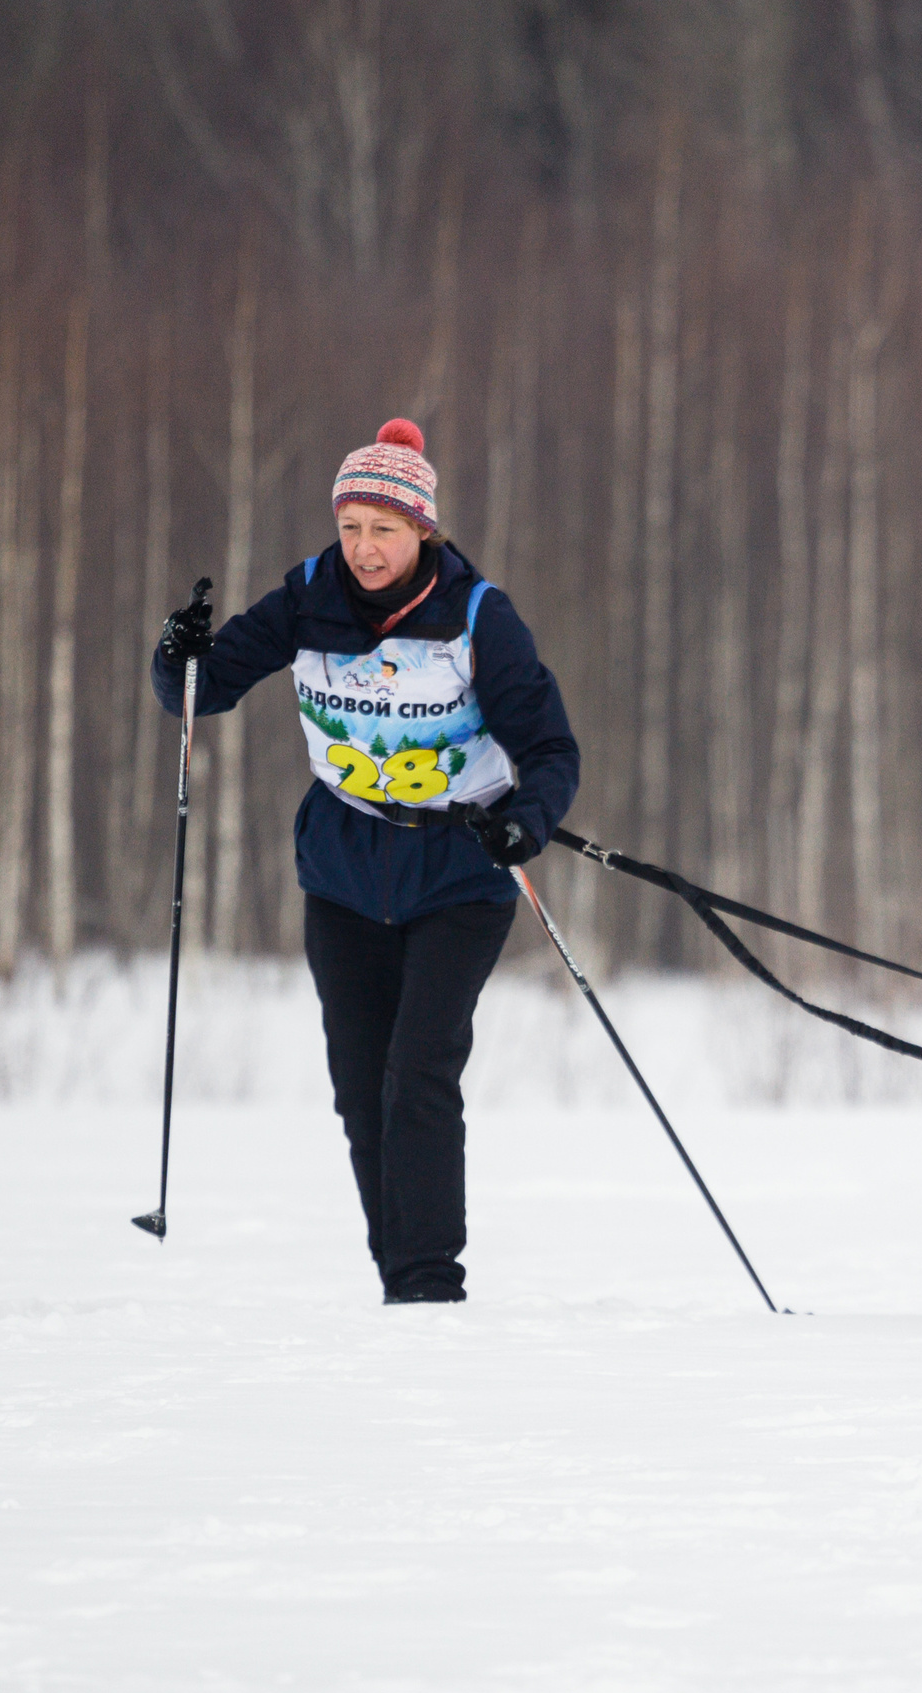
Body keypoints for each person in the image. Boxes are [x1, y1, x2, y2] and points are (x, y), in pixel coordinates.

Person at [153, 419, 579, 1304]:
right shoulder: (309, 596)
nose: (364, 547)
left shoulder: (475, 616)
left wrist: (524, 824)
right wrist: (177, 658)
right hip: (343, 871)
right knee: (359, 1086)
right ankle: (400, 1279)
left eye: (384, 528)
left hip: (458, 872)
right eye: (351, 526)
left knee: (417, 1071)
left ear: (423, 528)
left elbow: (550, 749)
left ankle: (428, 1287)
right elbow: (205, 689)